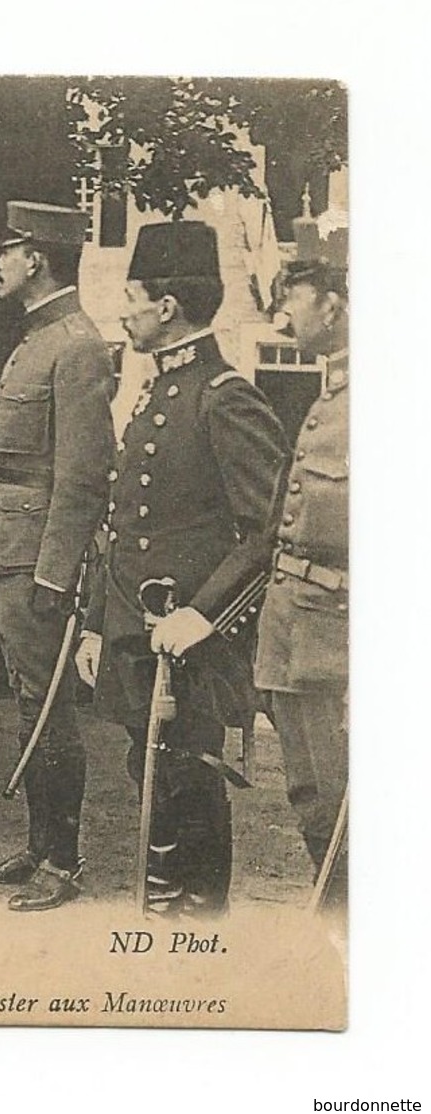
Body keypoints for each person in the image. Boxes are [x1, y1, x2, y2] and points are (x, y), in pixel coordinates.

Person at [75, 221, 287, 916]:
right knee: (151, 767)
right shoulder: (154, 391)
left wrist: (202, 615)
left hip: (191, 637)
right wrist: (99, 627)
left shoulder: (222, 395)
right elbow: (127, 528)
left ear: (166, 307)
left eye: (131, 295)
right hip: (139, 629)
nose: (122, 310)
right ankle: (163, 906)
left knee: (188, 775)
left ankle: (196, 918)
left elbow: (265, 533)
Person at [0, 201, 117, 910]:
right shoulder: (36, 338)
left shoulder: (77, 344)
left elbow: (83, 475)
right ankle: (37, 843)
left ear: (37, 258)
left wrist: (55, 571)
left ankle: (63, 860)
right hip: (8, 541)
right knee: (30, 701)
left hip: (36, 554)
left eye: (7, 249)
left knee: (48, 705)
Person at [255, 214, 349, 905]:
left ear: (333, 304)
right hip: (294, 616)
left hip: (336, 627)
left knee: (340, 795)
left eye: (293, 294)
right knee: (308, 789)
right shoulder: (329, 393)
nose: (281, 309)